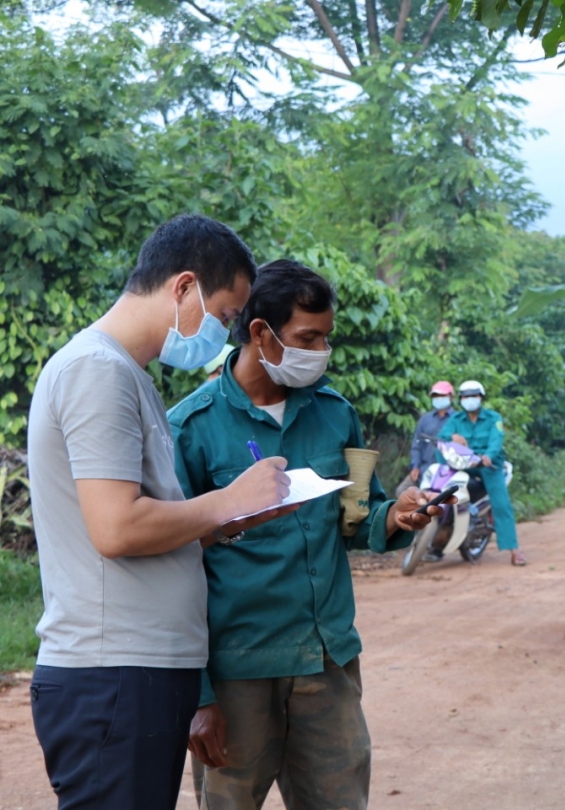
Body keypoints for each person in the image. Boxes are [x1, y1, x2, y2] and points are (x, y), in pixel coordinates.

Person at [26, 214, 293, 810]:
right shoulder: (97, 372)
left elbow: (145, 524)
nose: (226, 335)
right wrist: (228, 499)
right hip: (113, 673)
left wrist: (222, 524)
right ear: (183, 287)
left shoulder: (130, 377)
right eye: (225, 315)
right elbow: (116, 527)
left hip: (136, 671)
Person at [168, 259, 439, 810]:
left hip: (327, 665)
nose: (320, 352)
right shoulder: (191, 429)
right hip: (237, 672)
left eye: (325, 338)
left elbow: (356, 516)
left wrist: (397, 517)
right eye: (306, 338)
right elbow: (171, 568)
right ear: (261, 333)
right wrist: (197, 696)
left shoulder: (334, 414)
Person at [439, 380, 526, 566]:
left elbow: (496, 440)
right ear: (460, 400)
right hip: (464, 463)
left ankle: (514, 550)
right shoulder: (455, 420)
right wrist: (451, 437)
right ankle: (433, 543)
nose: (470, 400)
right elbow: (442, 437)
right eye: (465, 396)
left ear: (481, 398)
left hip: (488, 465)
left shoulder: (493, 418)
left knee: (501, 504)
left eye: (474, 396)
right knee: (440, 487)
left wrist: (488, 455)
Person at [395, 380, 456, 497]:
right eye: (435, 396)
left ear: (451, 397)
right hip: (424, 469)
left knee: (436, 500)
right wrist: (415, 466)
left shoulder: (458, 419)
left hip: (447, 471)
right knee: (402, 492)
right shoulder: (425, 420)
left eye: (442, 395)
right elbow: (416, 446)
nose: (439, 398)